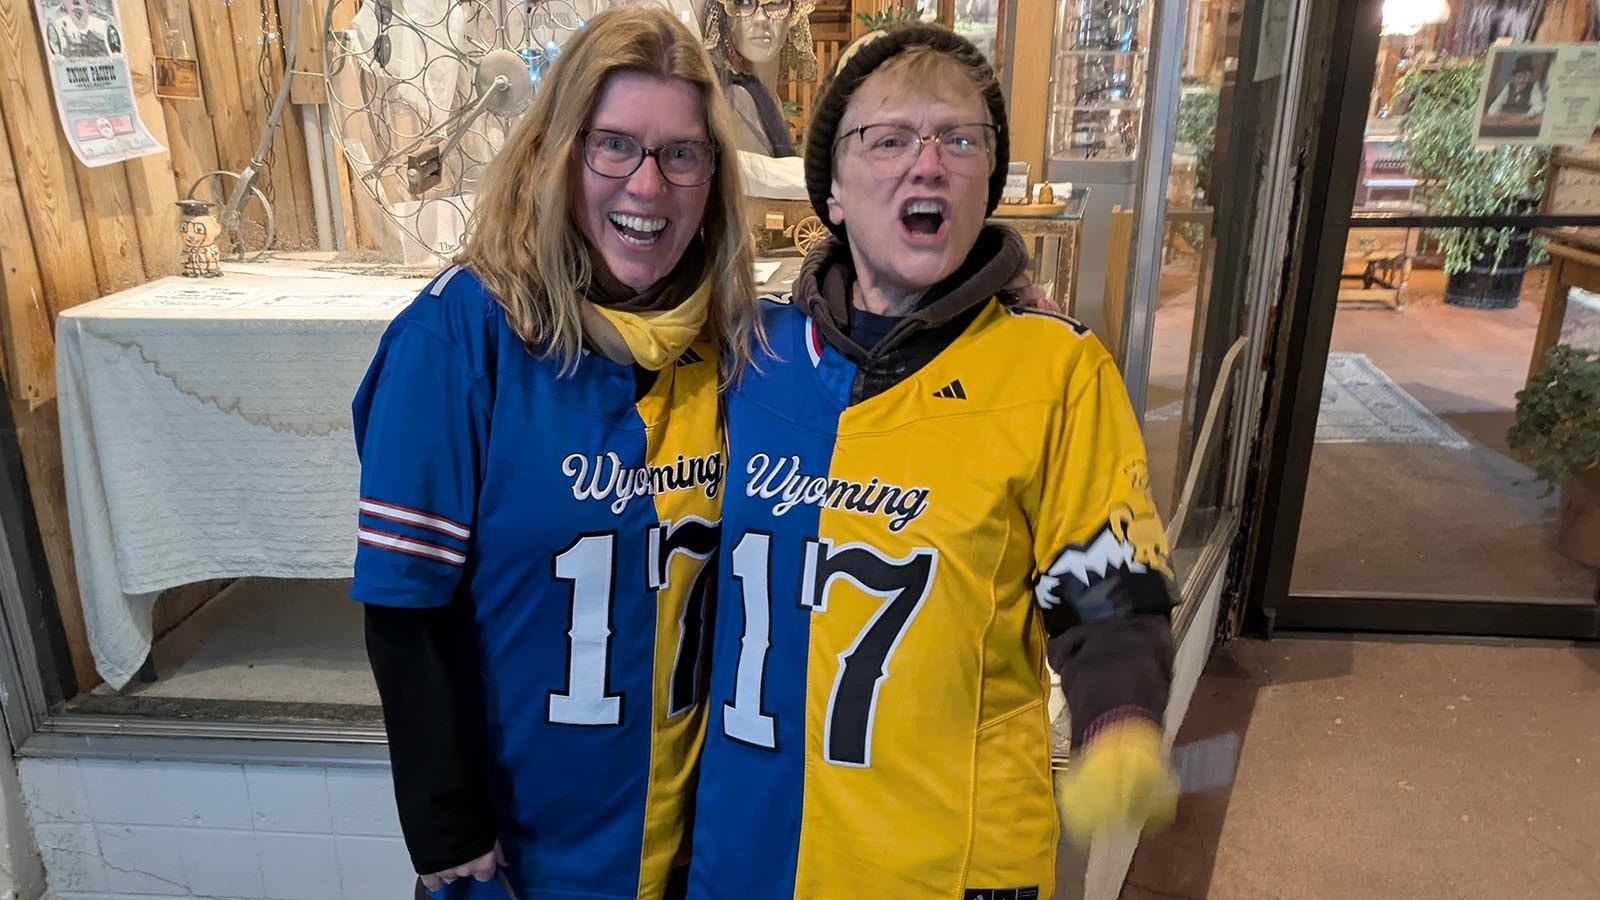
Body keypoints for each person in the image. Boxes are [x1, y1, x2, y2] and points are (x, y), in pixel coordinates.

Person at [686, 24, 1178, 899]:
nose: (929, 162)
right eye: (888, 139)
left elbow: (1107, 589)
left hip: (946, 864)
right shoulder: (750, 352)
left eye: (961, 138)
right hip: (750, 849)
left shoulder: (1055, 370)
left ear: (988, 181)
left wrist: (1121, 714)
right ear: (831, 190)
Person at [350, 7, 760, 898]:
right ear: (556, 151)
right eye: (614, 145)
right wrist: (447, 827)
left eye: (681, 154)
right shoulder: (461, 338)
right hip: (528, 853)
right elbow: (403, 611)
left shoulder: (734, 341)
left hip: (696, 839)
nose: (647, 187)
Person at [702, 0, 818, 156]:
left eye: (776, 2)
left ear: (794, 15)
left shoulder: (769, 98)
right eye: (744, 2)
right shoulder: (737, 99)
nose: (761, 19)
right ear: (726, 16)